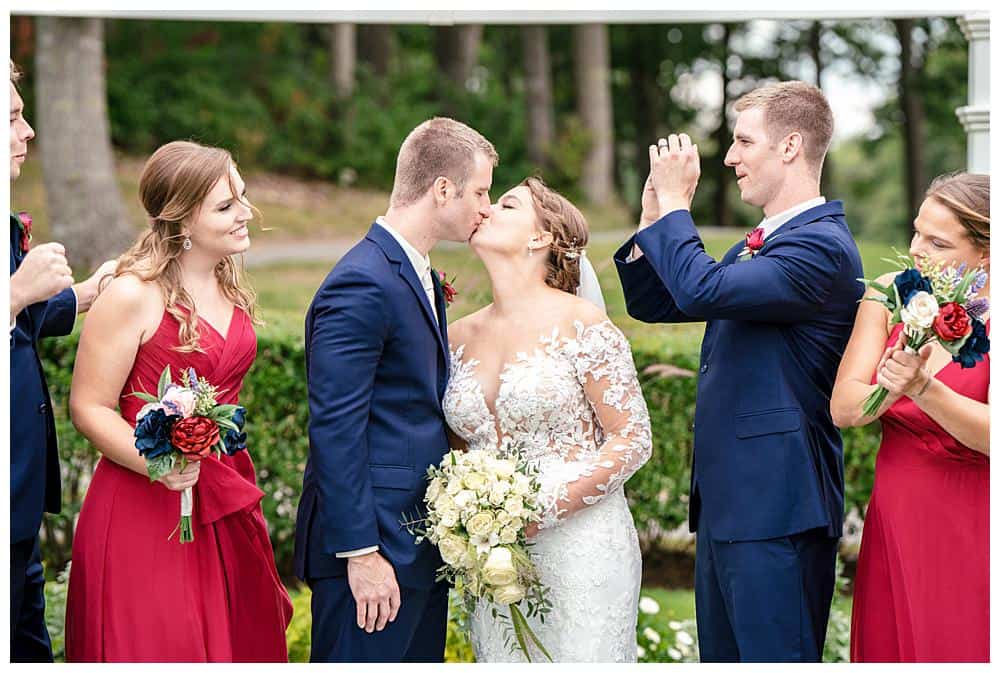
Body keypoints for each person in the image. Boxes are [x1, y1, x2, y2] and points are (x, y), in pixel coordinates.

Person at [614, 81, 864, 662]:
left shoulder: (821, 248)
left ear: (790, 146)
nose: (729, 157)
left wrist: (679, 208)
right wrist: (654, 217)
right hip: (732, 503)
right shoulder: (762, 245)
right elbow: (659, 302)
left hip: (778, 507)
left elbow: (700, 288)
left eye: (743, 140)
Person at [64, 140, 292, 662]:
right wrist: (158, 462)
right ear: (182, 221)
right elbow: (89, 406)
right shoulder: (132, 295)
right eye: (226, 206)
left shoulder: (228, 282)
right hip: (145, 506)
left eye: (243, 197)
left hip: (224, 489)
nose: (246, 214)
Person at [293, 117, 496, 662]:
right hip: (371, 550)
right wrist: (361, 554)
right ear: (443, 189)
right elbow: (336, 427)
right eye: (480, 192)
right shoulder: (362, 281)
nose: (487, 207)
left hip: (417, 545)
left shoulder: (418, 273)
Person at [445, 176, 652, 662]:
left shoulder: (582, 324)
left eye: (507, 204)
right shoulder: (455, 335)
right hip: (493, 555)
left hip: (582, 544)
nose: (487, 209)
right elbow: (457, 447)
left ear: (540, 237)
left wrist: (541, 509)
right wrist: (465, 512)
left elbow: (633, 438)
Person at [831, 172, 989, 662]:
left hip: (977, 515)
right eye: (917, 232)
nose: (917, 250)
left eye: (937, 242)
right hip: (900, 506)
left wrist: (922, 387)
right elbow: (844, 407)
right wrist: (891, 382)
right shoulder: (887, 294)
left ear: (985, 252)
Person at [9, 59, 116, 663]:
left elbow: (20, 328)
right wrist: (17, 291)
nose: (28, 133)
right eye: (15, 118)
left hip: (19, 499)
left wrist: (86, 293)